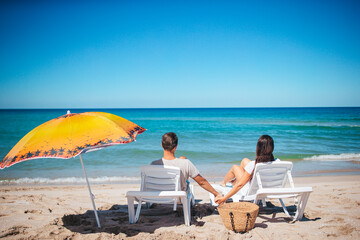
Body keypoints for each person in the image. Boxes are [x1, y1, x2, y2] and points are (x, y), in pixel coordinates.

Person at [151, 132, 220, 198]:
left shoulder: (153, 164)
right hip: (178, 198)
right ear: (176, 146)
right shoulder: (186, 163)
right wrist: (216, 193)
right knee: (183, 160)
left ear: (161, 145)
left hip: (159, 198)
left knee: (182, 159)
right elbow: (202, 182)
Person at [215, 135, 278, 205]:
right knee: (244, 160)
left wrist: (224, 198)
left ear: (258, 148)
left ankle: (223, 182)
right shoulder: (277, 161)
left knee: (235, 167)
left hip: (251, 191)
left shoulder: (254, 164)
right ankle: (233, 182)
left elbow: (240, 185)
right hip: (266, 187)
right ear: (272, 148)